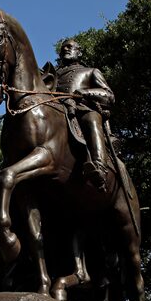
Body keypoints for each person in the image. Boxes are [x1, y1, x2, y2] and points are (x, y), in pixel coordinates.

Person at [55, 38, 116, 191]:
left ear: (79, 52)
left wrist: (85, 92)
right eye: (63, 48)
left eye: (70, 47)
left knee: (92, 119)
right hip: (57, 111)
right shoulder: (53, 75)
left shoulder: (91, 72)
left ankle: (99, 168)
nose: (65, 50)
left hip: (81, 110)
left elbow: (109, 96)